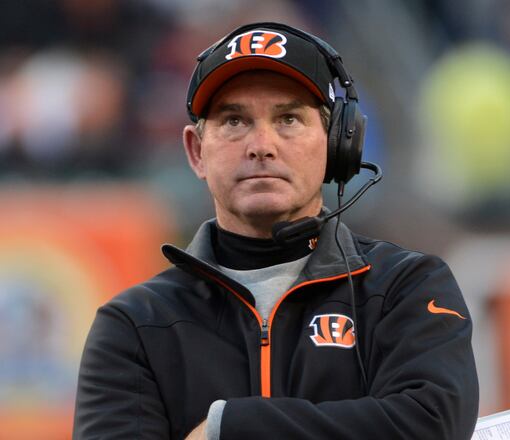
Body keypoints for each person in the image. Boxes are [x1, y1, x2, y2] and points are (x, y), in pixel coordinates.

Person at [73, 22, 479, 439]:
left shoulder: (407, 288)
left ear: (337, 145)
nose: (261, 144)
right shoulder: (135, 323)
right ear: (196, 152)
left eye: (288, 118)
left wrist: (227, 429)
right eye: (234, 121)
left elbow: (433, 425)